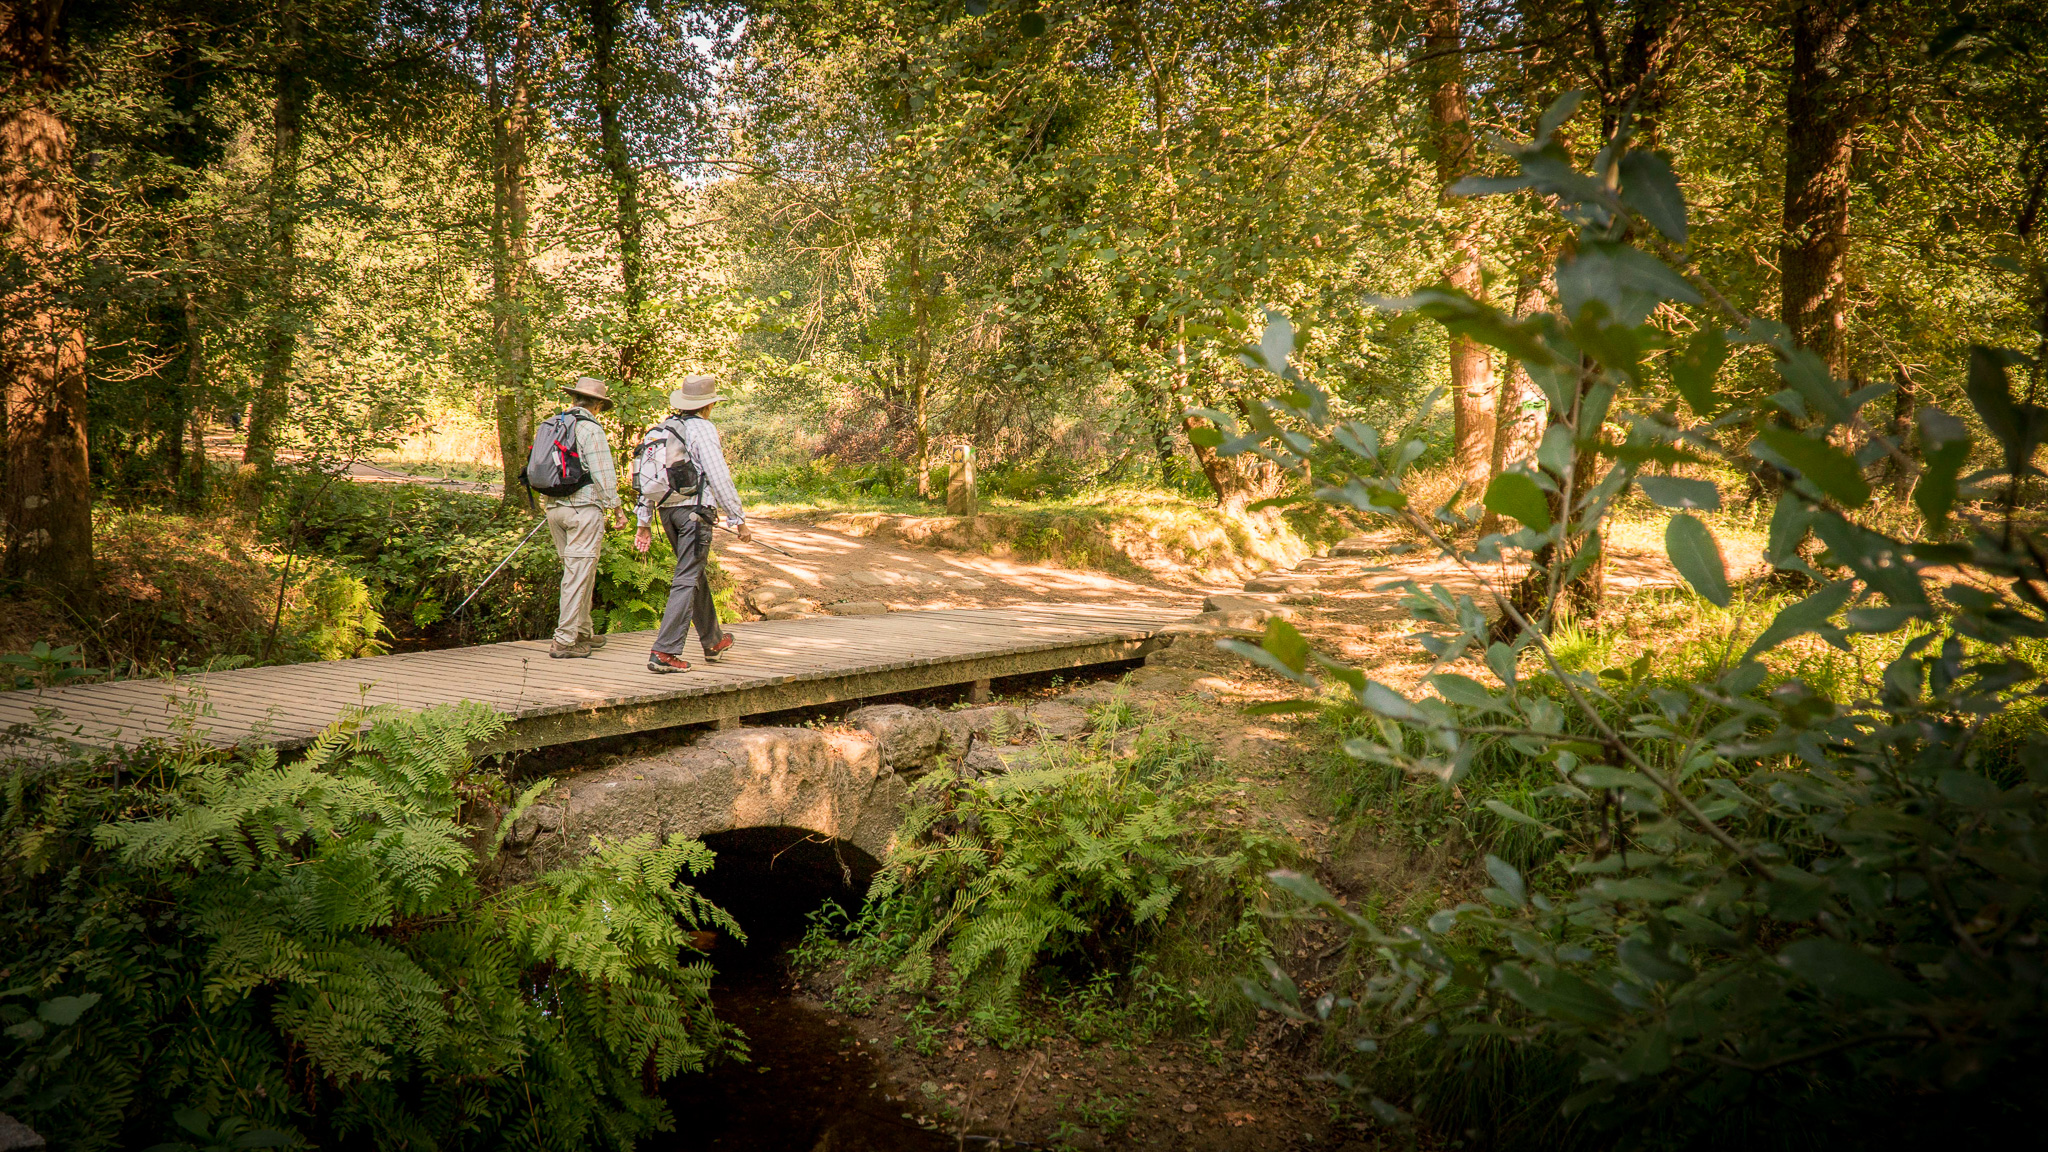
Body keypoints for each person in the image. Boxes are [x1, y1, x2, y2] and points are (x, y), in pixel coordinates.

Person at [633, 373, 750, 674]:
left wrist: (643, 521)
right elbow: (717, 474)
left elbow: (647, 480)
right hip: (694, 515)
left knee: (692, 574)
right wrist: (738, 519)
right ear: (708, 405)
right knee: (686, 578)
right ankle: (664, 652)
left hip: (667, 513)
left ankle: (713, 641)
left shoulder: (658, 431)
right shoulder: (702, 428)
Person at [541, 376, 624, 658]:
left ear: (574, 399)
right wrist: (617, 509)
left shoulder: (555, 424)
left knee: (579, 570)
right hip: (583, 510)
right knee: (578, 574)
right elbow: (603, 473)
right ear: (598, 404)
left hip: (555, 509)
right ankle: (564, 640)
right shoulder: (590, 429)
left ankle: (582, 631)